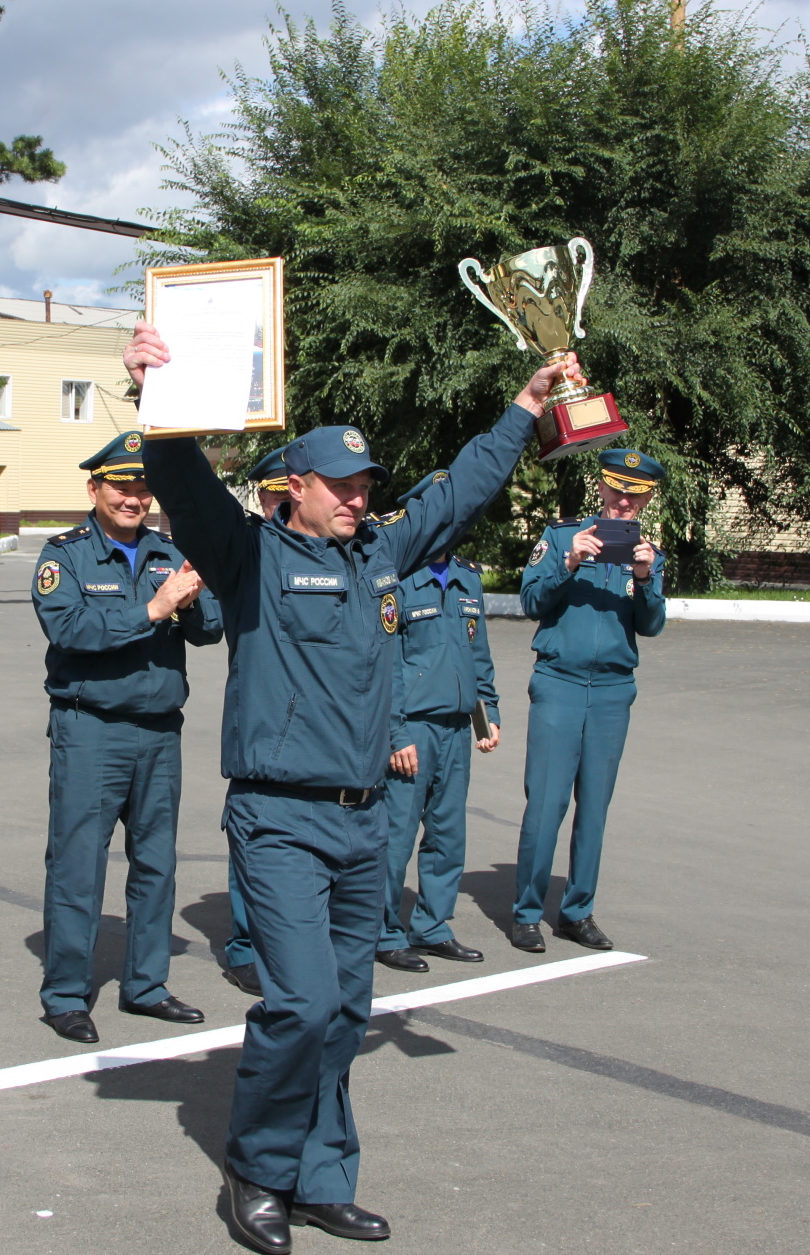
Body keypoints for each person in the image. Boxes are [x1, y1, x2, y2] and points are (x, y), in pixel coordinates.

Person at [130, 323, 568, 1253]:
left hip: (366, 823)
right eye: (344, 484)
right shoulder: (249, 556)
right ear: (297, 485)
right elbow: (185, 486)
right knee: (301, 1002)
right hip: (281, 818)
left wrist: (527, 407)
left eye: (367, 484)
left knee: (350, 1009)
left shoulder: (380, 555)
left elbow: (460, 488)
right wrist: (157, 402)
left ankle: (322, 1178)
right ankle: (257, 1167)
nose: (361, 498)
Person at [33, 431, 224, 1043]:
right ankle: (65, 994)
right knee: (78, 866)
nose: (134, 498)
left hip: (159, 733)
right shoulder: (63, 556)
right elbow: (69, 630)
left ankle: (146, 985)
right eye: (121, 487)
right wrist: (153, 609)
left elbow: (212, 627)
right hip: (92, 731)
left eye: (143, 487)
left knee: (156, 867)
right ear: (94, 489)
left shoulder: (171, 551)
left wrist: (190, 601)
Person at [510, 448, 668, 956]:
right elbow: (531, 601)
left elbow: (652, 624)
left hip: (613, 692)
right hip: (559, 681)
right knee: (547, 803)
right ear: (600, 487)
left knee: (595, 807)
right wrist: (569, 561)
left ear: (646, 499)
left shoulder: (648, 551)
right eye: (616, 490)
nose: (623, 502)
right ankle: (527, 914)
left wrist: (644, 580)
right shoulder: (560, 538)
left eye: (635, 494)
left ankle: (578, 912)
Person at [375, 470, 502, 975]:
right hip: (414, 729)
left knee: (449, 833)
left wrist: (487, 715)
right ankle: (382, 931)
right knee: (396, 834)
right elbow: (383, 663)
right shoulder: (398, 578)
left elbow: (479, 656)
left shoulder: (468, 578)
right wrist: (395, 732)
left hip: (456, 728)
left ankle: (432, 926)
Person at [219, 444, 292, 998]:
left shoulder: (325, 550)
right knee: (253, 833)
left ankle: (289, 944)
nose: (278, 507)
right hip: (260, 715)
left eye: (284, 497)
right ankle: (245, 945)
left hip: (315, 727)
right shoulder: (248, 549)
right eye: (270, 498)